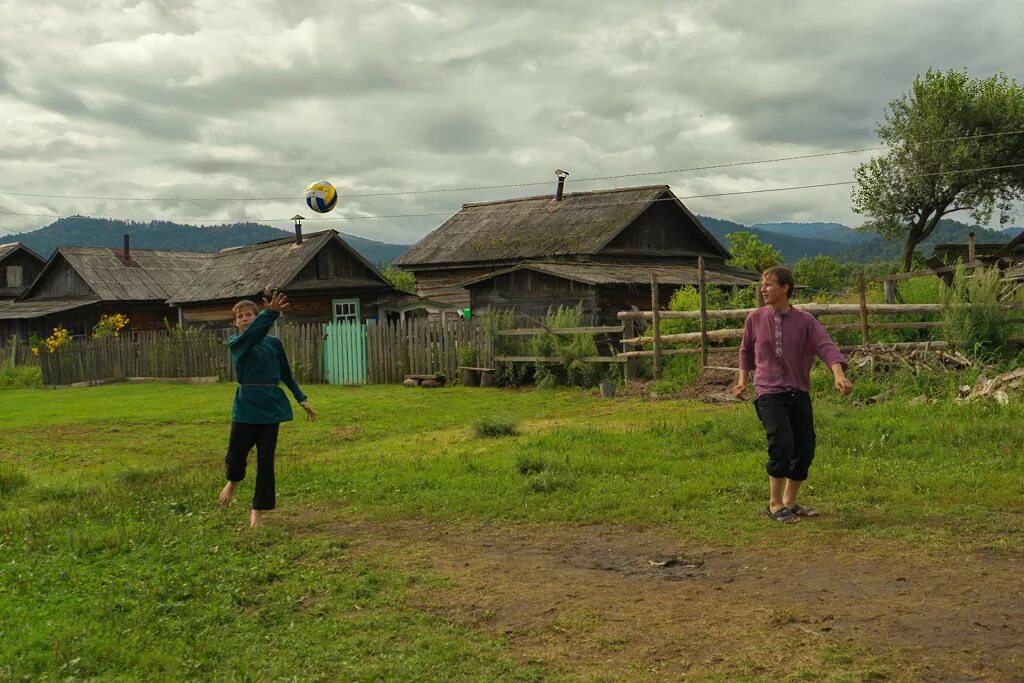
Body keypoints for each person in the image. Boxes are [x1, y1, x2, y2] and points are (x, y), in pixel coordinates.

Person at [731, 267, 853, 523]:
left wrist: (838, 375)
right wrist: (743, 381)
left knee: (805, 448)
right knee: (782, 444)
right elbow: (745, 352)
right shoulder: (754, 318)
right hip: (768, 392)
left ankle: (790, 501)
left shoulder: (805, 321)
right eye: (762, 285)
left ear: (785, 287)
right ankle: (774, 504)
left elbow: (826, 346)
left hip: (798, 391)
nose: (763, 289)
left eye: (768, 284)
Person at [218, 291, 317, 527]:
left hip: (270, 407)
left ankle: (257, 510)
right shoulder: (237, 343)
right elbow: (253, 336)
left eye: (249, 314)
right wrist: (270, 313)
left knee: (266, 460)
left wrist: (301, 398)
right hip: (245, 406)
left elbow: (285, 373)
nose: (244, 318)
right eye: (240, 316)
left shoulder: (273, 343)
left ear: (255, 315)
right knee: (236, 455)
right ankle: (233, 481)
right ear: (235, 322)